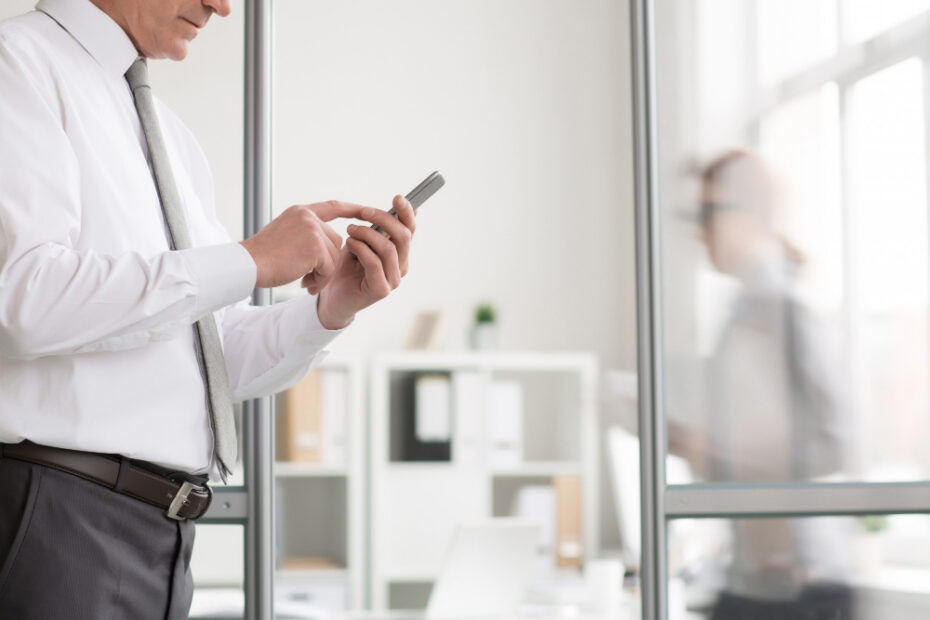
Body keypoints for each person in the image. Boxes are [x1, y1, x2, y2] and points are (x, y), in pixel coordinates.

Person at [0, 0, 416, 617]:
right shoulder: (18, 64)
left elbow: (206, 362)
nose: (221, 7)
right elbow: (21, 300)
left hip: (159, 538)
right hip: (58, 520)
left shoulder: (169, 135)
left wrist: (328, 310)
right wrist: (248, 261)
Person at [674, 150, 854, 620]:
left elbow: (836, 444)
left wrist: (731, 459)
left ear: (752, 215)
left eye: (709, 213)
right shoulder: (740, 312)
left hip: (803, 585)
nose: (700, 230)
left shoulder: (784, 306)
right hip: (755, 578)